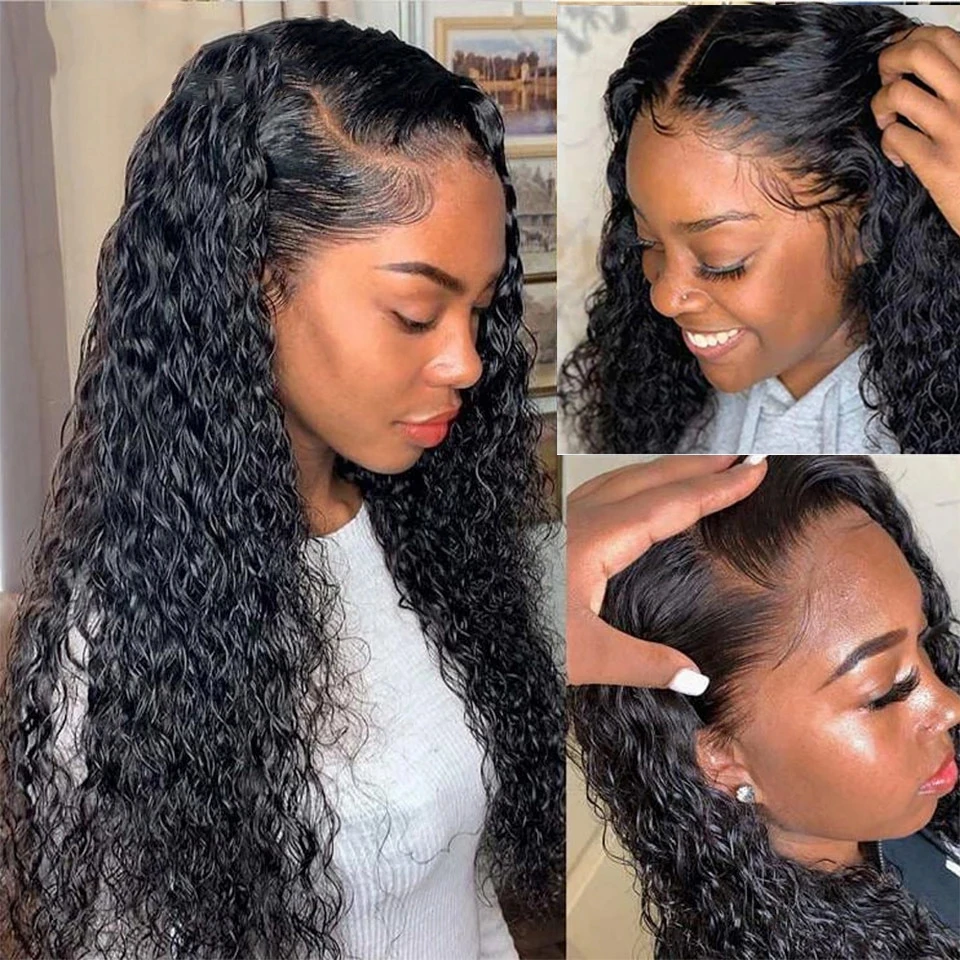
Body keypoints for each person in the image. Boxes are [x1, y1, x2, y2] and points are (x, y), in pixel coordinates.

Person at [0, 17, 563, 960]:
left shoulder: (432, 544)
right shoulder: (111, 656)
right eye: (415, 313)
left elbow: (464, 893)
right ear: (254, 284)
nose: (467, 362)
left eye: (479, 309)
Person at [568, 456, 960, 958]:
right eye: (884, 692)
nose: (948, 706)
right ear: (722, 759)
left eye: (924, 638)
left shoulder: (900, 813)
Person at [560, 3, 960, 454]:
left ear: (870, 223)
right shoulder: (656, 402)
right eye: (647, 241)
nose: (664, 298)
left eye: (721, 261)